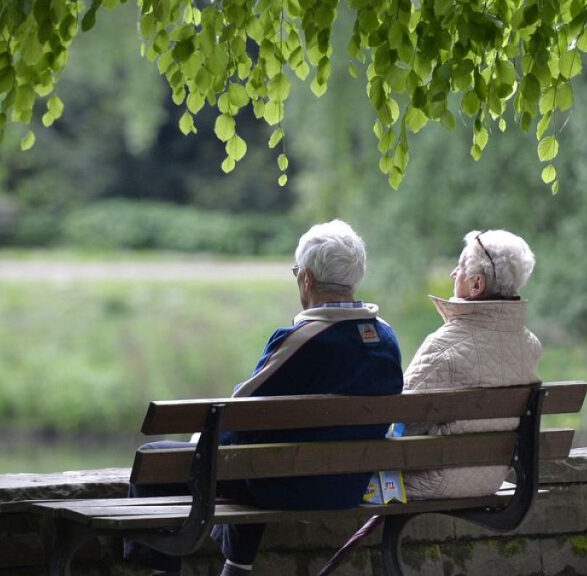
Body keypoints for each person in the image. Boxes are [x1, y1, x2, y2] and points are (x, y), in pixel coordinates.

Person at [124, 219, 404, 576]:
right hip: (348, 487)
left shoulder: (305, 339)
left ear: (306, 279)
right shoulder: (387, 339)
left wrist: (199, 443)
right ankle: (237, 568)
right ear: (355, 280)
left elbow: (237, 412)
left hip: (290, 486)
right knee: (254, 455)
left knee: (163, 459)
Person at [402, 229, 541, 499]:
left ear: (476, 285)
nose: (454, 274)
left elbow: (400, 420)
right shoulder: (531, 346)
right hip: (489, 480)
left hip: (433, 480)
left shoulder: (444, 345)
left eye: (460, 267)